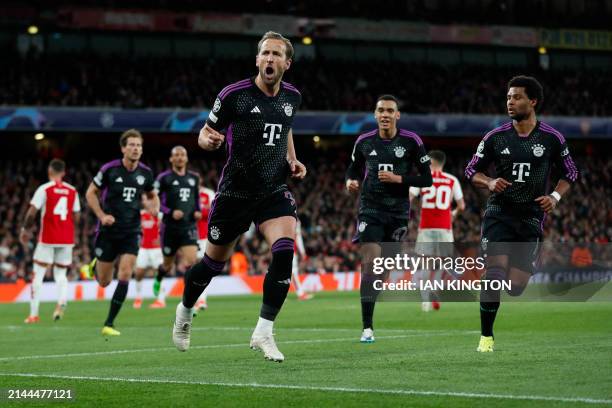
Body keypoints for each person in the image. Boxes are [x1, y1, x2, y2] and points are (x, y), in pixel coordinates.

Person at [172, 31, 306, 363]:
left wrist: (291, 159)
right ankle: (185, 310)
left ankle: (264, 330)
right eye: (265, 54)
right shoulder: (235, 95)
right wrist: (208, 142)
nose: (270, 59)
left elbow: (285, 127)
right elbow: (206, 133)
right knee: (212, 264)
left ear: (287, 63)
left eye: (277, 54)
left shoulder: (292, 97)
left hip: (273, 190)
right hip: (234, 192)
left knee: (285, 249)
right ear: (257, 60)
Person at [464, 76, 578, 352]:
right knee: (493, 273)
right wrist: (489, 182)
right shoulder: (495, 137)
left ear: (533, 101)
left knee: (516, 287)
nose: (510, 102)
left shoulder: (552, 139)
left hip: (530, 218)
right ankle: (486, 338)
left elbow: (571, 173)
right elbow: (471, 170)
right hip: (499, 214)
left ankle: (511, 272)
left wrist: (555, 195)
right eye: (508, 97)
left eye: (516, 97)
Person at [346, 94, 433, 343]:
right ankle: (367, 328)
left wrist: (400, 179)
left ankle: (375, 291)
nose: (384, 114)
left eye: (389, 111)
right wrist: (350, 181)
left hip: (397, 214)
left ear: (397, 115)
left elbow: (426, 179)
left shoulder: (411, 141)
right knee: (370, 262)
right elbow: (353, 167)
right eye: (380, 110)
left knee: (382, 271)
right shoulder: (363, 141)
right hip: (370, 209)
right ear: (375, 115)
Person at [85, 129, 159, 336]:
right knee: (104, 281)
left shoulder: (146, 173)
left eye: (139, 145)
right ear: (123, 148)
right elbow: (90, 193)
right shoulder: (110, 170)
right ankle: (94, 266)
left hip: (131, 231)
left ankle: (109, 323)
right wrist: (101, 215)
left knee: (126, 272)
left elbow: (153, 195)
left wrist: (155, 207)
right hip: (108, 230)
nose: (136, 148)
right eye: (132, 145)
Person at [20, 159, 80, 323]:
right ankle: (61, 303)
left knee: (37, 274)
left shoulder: (44, 189)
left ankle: (34, 314)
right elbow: (77, 215)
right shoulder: (72, 190)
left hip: (48, 238)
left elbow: (32, 213)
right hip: (66, 238)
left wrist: (25, 230)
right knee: (61, 274)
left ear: (49, 171)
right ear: (64, 172)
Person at [409, 150, 465, 311]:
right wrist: (453, 213)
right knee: (443, 262)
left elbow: (409, 197)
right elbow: (461, 206)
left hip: (426, 227)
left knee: (426, 263)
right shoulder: (452, 180)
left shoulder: (422, 179)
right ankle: (434, 288)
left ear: (432, 163)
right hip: (444, 227)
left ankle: (425, 300)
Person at [152, 146, 201, 309]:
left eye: (182, 155)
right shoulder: (163, 178)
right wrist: (170, 212)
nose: (180, 158)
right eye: (176, 155)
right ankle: (159, 277)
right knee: (167, 265)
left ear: (186, 159)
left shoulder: (194, 178)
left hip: (188, 227)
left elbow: (196, 199)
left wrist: (197, 211)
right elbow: (154, 201)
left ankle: (188, 300)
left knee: (192, 262)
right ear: (171, 159)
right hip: (170, 228)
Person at [133, 200, 163, 309]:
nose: (148, 203)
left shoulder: (159, 214)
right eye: (146, 201)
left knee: (159, 272)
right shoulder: (140, 214)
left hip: (156, 248)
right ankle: (138, 297)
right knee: (139, 272)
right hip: (143, 248)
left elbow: (165, 226)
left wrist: (161, 238)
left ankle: (160, 300)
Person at [193, 178, 216, 313]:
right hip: (190, 237)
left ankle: (202, 299)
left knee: (202, 268)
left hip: (204, 236)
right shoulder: (187, 193)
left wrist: (201, 214)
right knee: (193, 268)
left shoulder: (208, 193)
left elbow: (215, 209)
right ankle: (196, 299)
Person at [292, 220, 313, 300]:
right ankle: (300, 294)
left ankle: (275, 295)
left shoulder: (280, 218)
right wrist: (303, 252)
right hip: (290, 250)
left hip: (280, 249)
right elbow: (298, 238)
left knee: (283, 273)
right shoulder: (295, 221)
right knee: (293, 272)